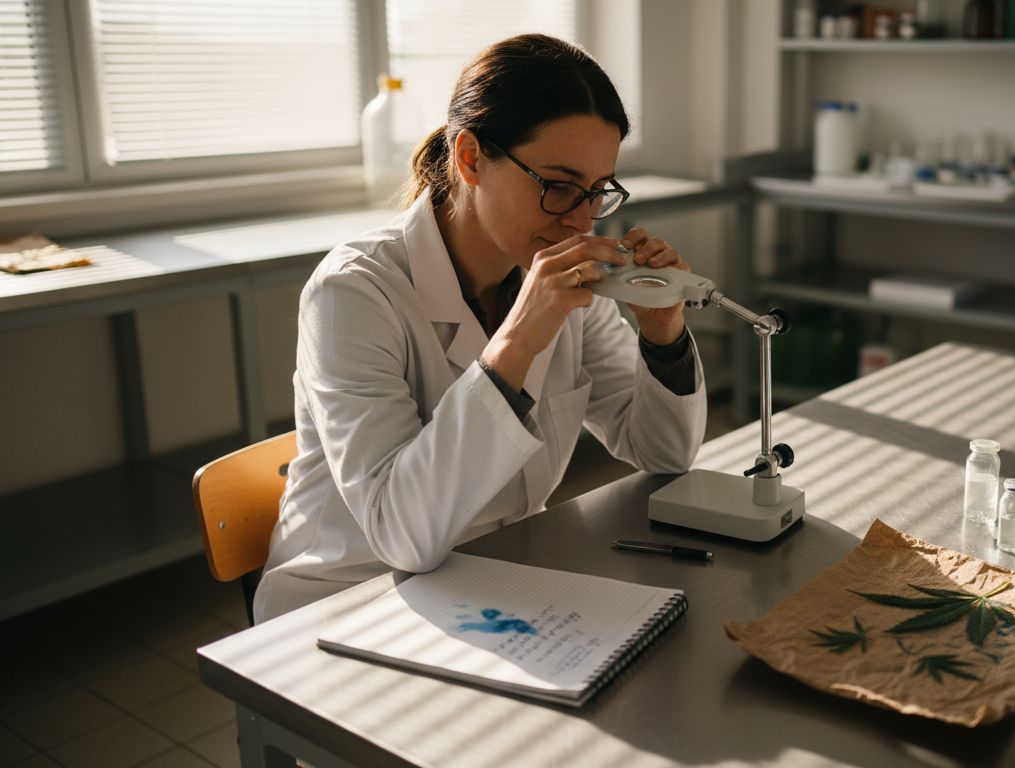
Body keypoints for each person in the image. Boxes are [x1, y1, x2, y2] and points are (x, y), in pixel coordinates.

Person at [253, 34, 707, 622]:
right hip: (350, 601)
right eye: (559, 186)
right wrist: (518, 340)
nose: (581, 219)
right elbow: (402, 534)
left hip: (489, 583)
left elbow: (664, 453)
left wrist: (662, 334)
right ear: (469, 157)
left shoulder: (565, 277)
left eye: (597, 192)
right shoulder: (352, 292)